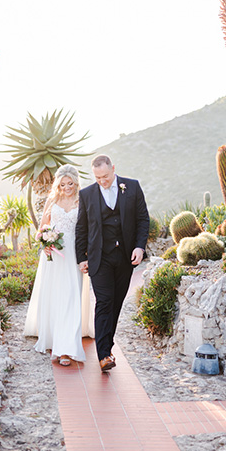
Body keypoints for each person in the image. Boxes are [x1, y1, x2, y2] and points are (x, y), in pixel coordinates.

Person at [75, 154, 149, 372]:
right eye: (97, 178)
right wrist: (81, 257)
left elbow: (143, 219)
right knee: (104, 301)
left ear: (113, 169)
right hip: (100, 258)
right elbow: (82, 228)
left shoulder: (132, 187)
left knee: (116, 303)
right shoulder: (87, 194)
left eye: (105, 176)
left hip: (125, 256)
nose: (102, 181)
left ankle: (108, 345)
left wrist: (139, 246)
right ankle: (104, 354)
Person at [24, 164, 94, 366]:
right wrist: (44, 242)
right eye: (63, 184)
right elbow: (42, 229)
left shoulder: (83, 201)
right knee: (55, 297)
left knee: (72, 297)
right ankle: (55, 340)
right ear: (58, 183)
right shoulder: (52, 200)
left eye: (70, 183)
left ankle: (66, 349)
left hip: (73, 254)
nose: (67, 187)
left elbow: (88, 229)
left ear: (76, 182)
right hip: (53, 256)